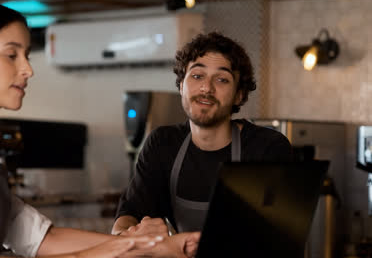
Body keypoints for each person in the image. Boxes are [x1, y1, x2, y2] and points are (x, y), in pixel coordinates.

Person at [0, 2, 199, 258]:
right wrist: (113, 250)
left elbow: (40, 238)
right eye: (11, 55)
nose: (28, 70)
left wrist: (144, 245)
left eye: (27, 55)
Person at [112, 32, 293, 236]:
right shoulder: (163, 144)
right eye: (197, 76)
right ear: (181, 85)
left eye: (222, 79)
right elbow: (129, 215)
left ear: (239, 95)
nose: (207, 88)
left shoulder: (267, 148)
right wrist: (126, 236)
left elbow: (279, 239)